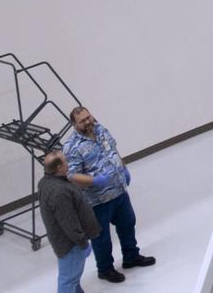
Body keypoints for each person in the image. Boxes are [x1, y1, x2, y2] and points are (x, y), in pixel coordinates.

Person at [63, 107, 155, 283]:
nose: (88, 121)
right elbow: (72, 176)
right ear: (74, 124)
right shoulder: (72, 147)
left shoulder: (100, 129)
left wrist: (124, 167)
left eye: (88, 117)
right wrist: (94, 181)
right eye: (82, 120)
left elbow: (113, 149)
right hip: (97, 201)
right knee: (101, 237)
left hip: (119, 191)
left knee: (128, 223)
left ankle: (131, 256)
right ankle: (105, 269)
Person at [39, 151, 101, 293]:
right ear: (60, 168)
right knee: (68, 280)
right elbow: (69, 222)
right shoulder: (60, 192)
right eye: (66, 161)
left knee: (73, 277)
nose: (68, 163)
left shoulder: (45, 182)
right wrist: (83, 243)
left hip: (64, 241)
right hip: (71, 244)